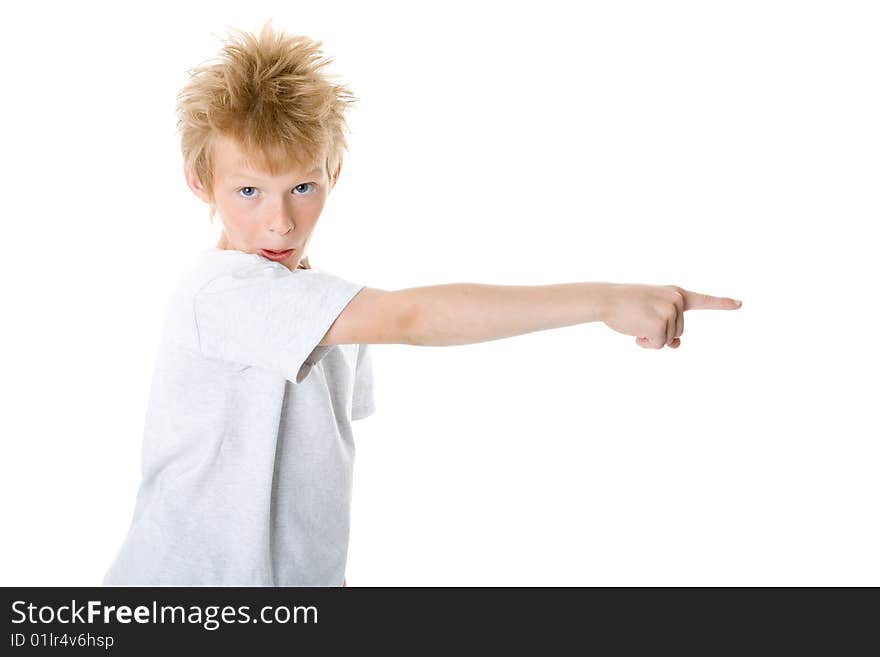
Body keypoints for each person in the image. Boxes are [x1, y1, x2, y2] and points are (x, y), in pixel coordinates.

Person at [102, 19, 742, 587]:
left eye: (302, 186)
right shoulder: (221, 294)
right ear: (199, 182)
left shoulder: (324, 304)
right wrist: (604, 299)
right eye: (248, 191)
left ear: (335, 173)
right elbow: (412, 318)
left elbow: (311, 483)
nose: (279, 222)